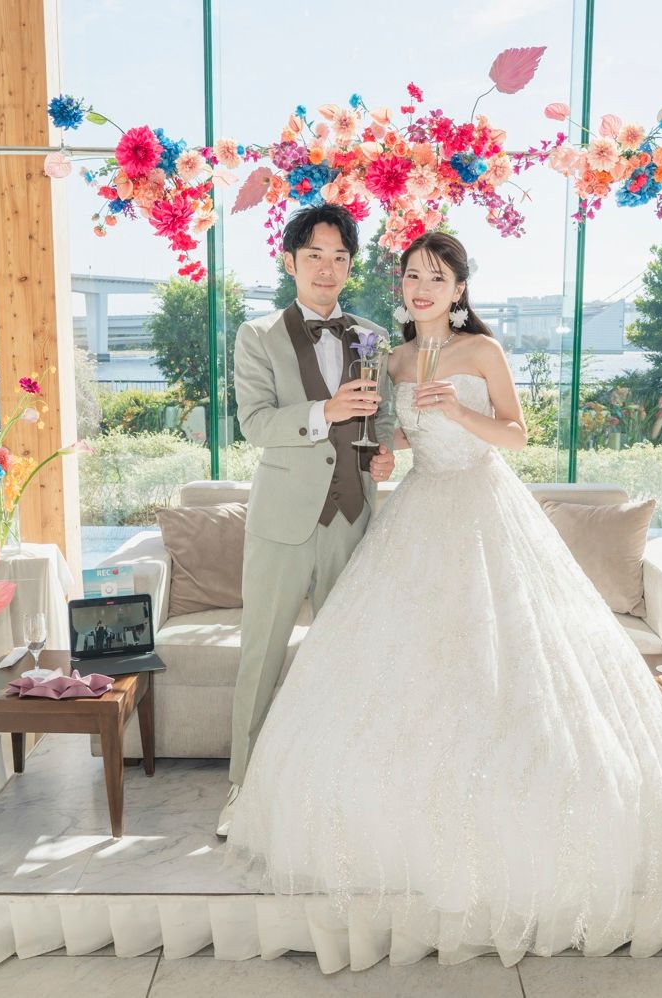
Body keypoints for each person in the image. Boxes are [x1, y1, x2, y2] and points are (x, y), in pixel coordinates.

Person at [227, 232, 662, 961]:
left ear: (460, 289)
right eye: (411, 276)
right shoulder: (391, 357)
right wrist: (389, 451)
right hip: (416, 510)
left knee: (503, 659)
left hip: (486, 509)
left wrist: (460, 415)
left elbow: (517, 436)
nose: (422, 287)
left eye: (437, 277)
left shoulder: (482, 351)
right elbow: (392, 435)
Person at [218, 204, 398, 837]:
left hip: (353, 518)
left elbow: (384, 419)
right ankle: (242, 789)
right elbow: (254, 423)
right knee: (261, 657)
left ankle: (339, 789)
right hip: (282, 523)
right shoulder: (257, 335)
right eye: (315, 256)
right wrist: (325, 411)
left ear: (351, 266)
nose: (328, 269)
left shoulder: (374, 335)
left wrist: (383, 454)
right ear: (290, 262)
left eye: (339, 258)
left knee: (349, 659)